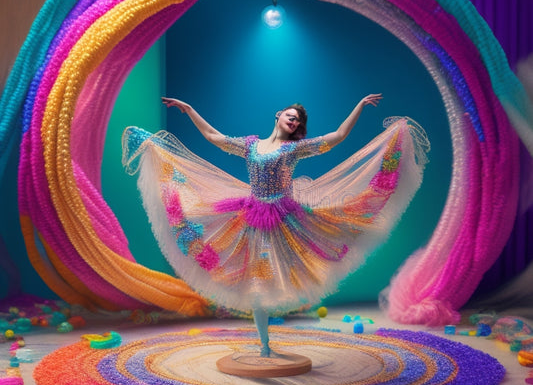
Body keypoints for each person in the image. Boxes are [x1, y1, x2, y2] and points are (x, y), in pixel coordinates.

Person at [122, 95, 428, 357]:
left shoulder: (293, 149)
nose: (293, 123)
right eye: (290, 117)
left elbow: (336, 137)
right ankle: (264, 345)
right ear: (278, 115)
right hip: (250, 215)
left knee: (276, 277)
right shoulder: (251, 145)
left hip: (284, 217)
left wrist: (359, 106)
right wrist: (189, 110)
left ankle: (267, 340)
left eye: (297, 122)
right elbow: (215, 138)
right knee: (253, 280)